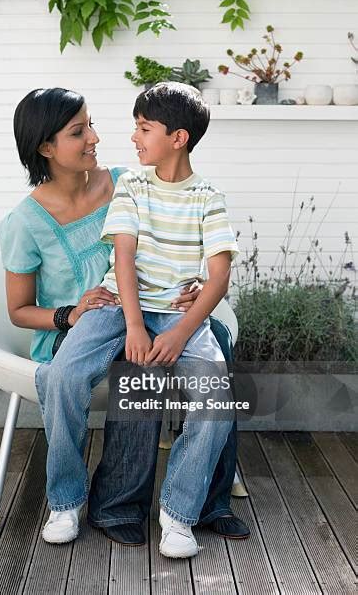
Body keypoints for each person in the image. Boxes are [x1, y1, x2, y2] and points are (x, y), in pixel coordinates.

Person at [33, 83, 249, 558]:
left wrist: (179, 331)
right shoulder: (132, 183)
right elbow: (124, 258)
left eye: (143, 128)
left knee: (216, 399)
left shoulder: (208, 197)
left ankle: (178, 513)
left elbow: (218, 277)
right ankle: (65, 501)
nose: (132, 137)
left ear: (178, 138)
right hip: (117, 304)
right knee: (63, 375)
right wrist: (134, 325)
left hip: (178, 313)